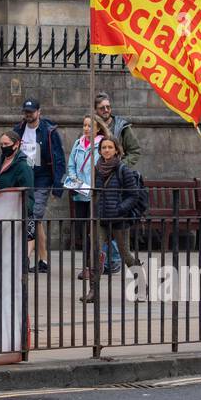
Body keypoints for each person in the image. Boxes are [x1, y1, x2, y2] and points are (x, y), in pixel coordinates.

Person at [80, 136, 148, 303]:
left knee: (126, 255)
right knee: (96, 252)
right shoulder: (97, 168)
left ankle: (141, 284)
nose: (107, 150)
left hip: (119, 219)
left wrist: (120, 209)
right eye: (104, 147)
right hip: (101, 219)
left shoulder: (123, 169)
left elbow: (133, 195)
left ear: (117, 150)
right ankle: (93, 291)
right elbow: (95, 193)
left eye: (110, 147)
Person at [13, 99, 65, 274]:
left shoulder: (49, 131)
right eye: (26, 111)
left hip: (42, 178)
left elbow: (58, 158)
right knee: (37, 220)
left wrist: (57, 184)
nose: (28, 114)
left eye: (32, 111)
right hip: (23, 178)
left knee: (33, 216)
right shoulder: (18, 130)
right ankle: (43, 260)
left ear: (39, 112)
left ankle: (25, 258)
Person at [65, 114, 120, 280]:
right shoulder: (78, 143)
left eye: (90, 126)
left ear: (98, 128)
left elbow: (104, 166)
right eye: (84, 125)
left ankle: (95, 265)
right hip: (80, 194)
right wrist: (75, 180)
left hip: (95, 194)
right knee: (84, 231)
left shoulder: (103, 144)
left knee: (94, 232)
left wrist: (94, 184)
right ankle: (88, 265)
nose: (86, 129)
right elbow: (71, 165)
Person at [0, 131, 34, 264]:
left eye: (6, 144)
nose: (3, 147)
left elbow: (28, 190)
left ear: (16, 144)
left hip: (14, 210)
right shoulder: (0, 162)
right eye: (1, 144)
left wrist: (26, 211)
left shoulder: (23, 165)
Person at [93, 93, 141, 169]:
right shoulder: (90, 127)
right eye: (102, 108)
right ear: (95, 110)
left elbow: (134, 151)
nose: (106, 110)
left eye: (108, 107)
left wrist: (121, 165)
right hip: (95, 173)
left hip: (117, 174)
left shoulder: (122, 126)